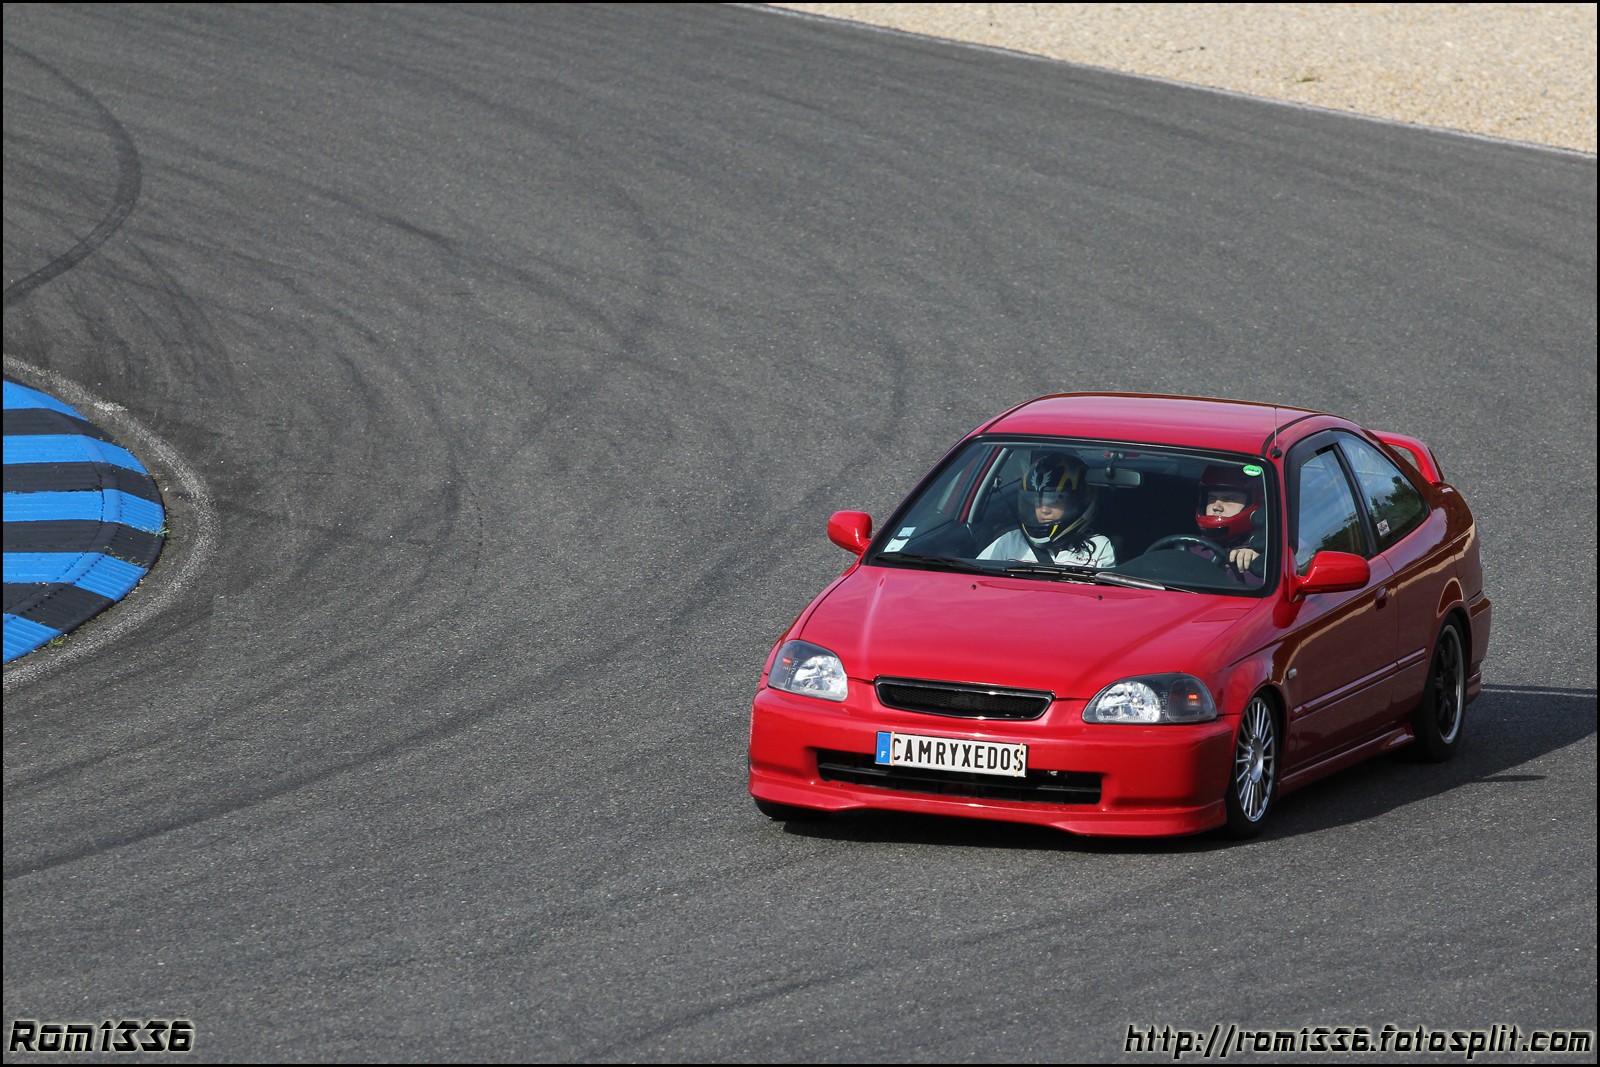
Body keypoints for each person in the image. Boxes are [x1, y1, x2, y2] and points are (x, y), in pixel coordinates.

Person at [978, 453, 1116, 568]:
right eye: (1037, 503)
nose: (1044, 510)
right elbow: (974, 577)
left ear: (1081, 501)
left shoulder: (1099, 548)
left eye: (1055, 501)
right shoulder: (1010, 542)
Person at [1194, 464, 1265, 581]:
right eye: (1211, 499)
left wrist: (1264, 561)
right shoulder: (1188, 550)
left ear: (1252, 503)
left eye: (1229, 499)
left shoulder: (1270, 551)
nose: (1216, 507)